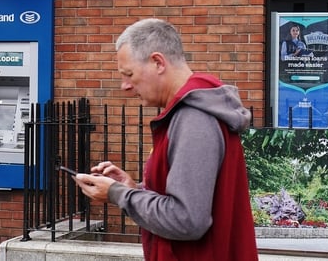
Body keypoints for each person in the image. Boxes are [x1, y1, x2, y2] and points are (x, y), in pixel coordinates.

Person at [73, 18, 258, 261]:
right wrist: (133, 188)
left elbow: (187, 220)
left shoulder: (194, 118)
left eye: (129, 74)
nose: (124, 86)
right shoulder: (190, 112)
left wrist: (118, 194)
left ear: (158, 62)